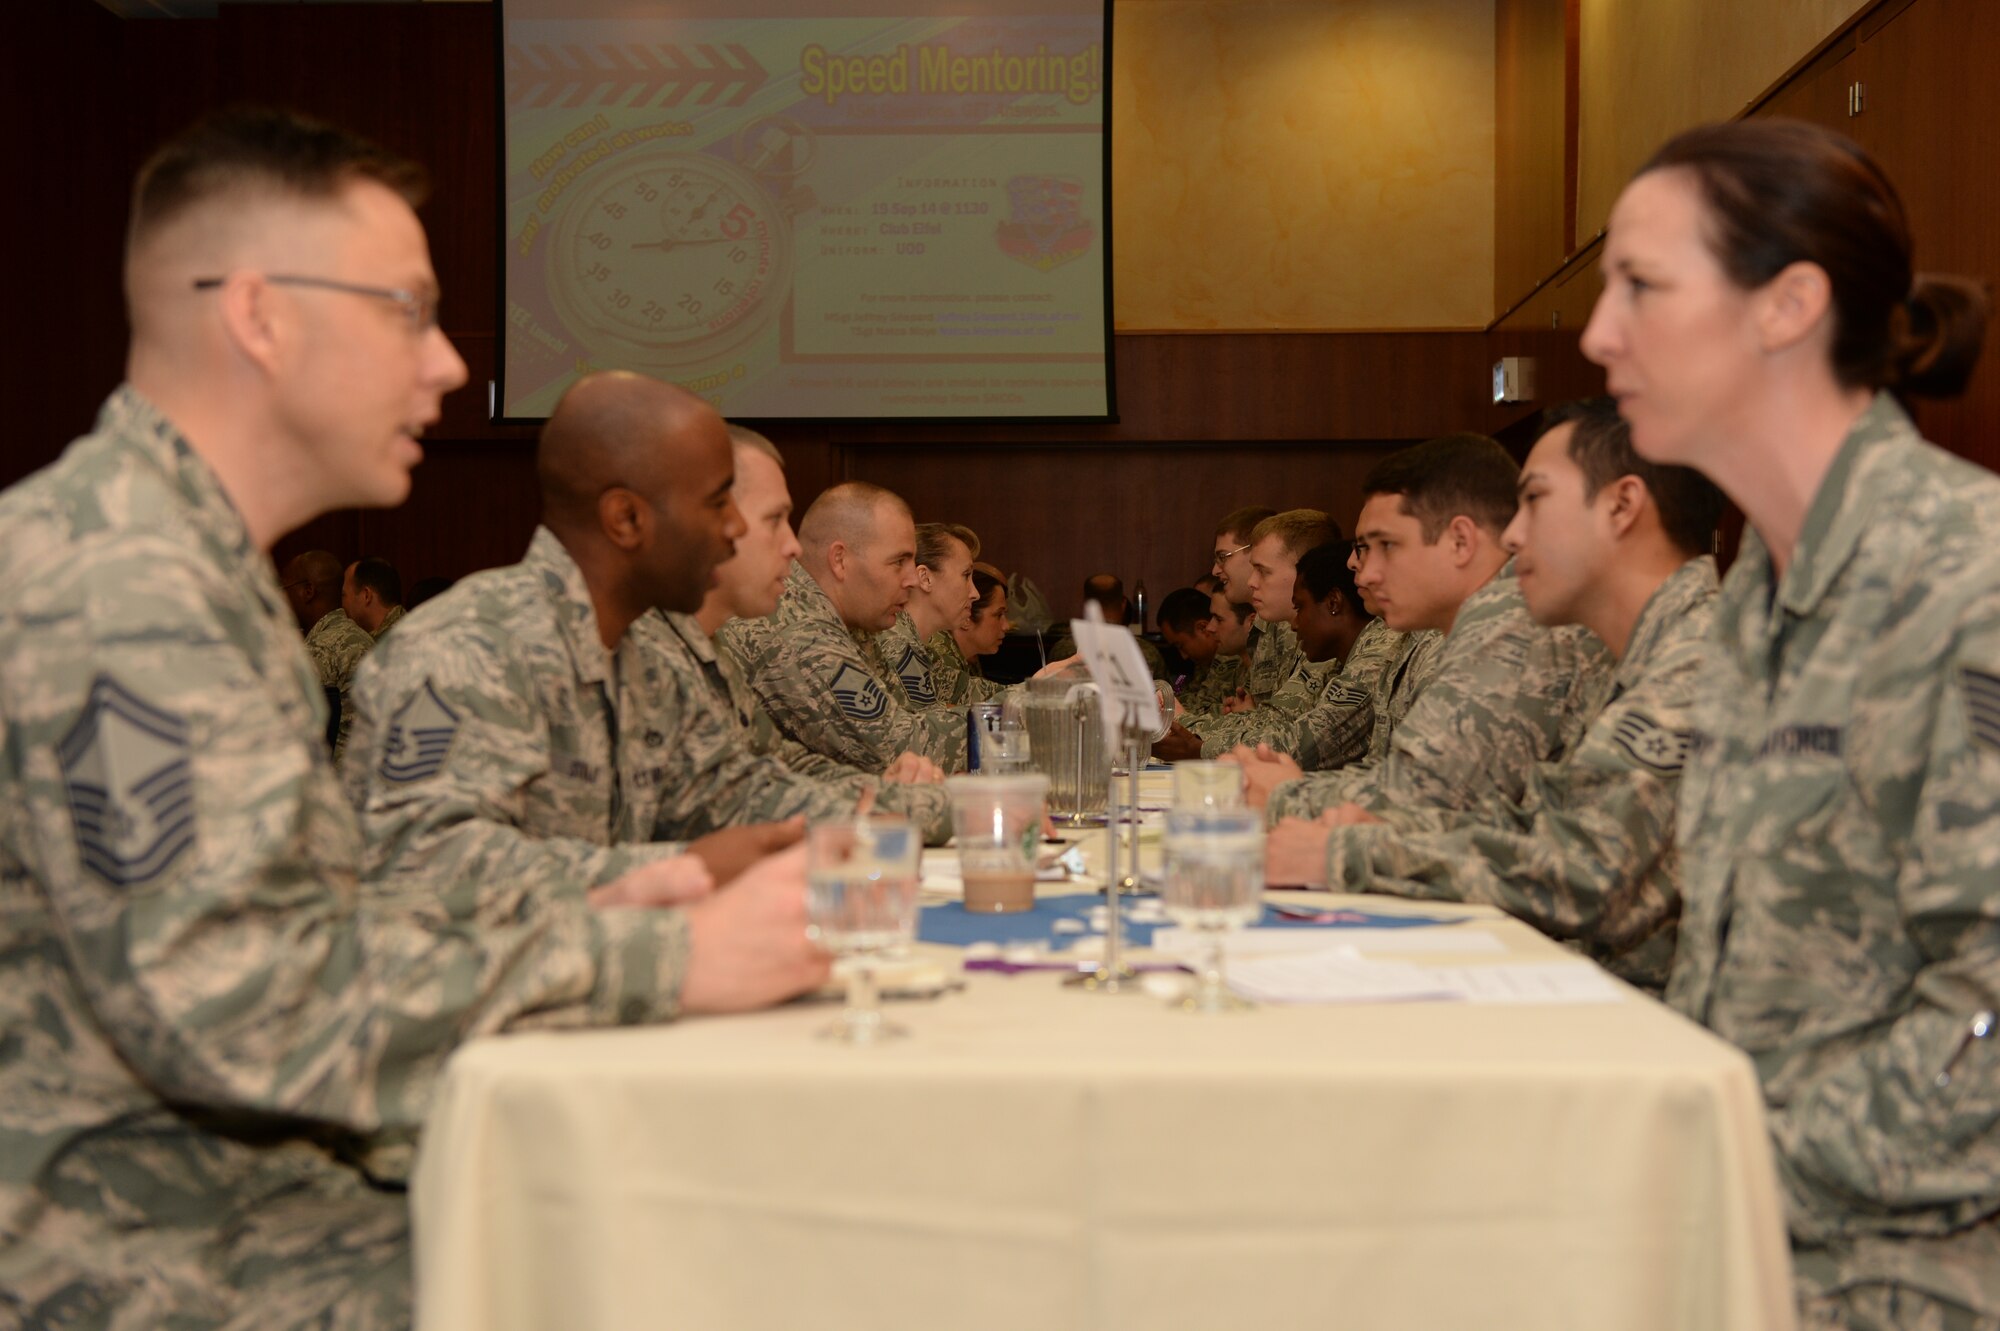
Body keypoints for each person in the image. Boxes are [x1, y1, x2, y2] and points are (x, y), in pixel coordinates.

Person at [0, 108, 826, 1327]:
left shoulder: (172, 556)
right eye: (406, 310)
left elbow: (291, 927)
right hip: (144, 1251)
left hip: (248, 1186)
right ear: (259, 316)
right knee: (714, 1265)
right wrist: (666, 956)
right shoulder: (123, 585)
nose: (445, 363)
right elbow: (239, 999)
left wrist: (603, 901)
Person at [1586, 118, 1998, 1328]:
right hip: (1741, 1243)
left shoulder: (1960, 575)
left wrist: (1723, 1165)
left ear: (1787, 305)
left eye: (1640, 285)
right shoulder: (1762, 591)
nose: (1597, 332)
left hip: (1899, 1274)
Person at [1267, 400, 1723, 991]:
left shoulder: (1696, 657)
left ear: (1622, 505)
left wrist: (1346, 853)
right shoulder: (1641, 650)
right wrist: (1383, 834)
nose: (1511, 533)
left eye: (1535, 500)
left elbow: (1590, 873)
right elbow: (1536, 821)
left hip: (1652, 1020)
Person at [344, 371, 810, 908]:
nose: (735, 527)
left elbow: (730, 796)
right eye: (715, 503)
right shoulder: (469, 648)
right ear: (626, 519)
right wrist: (676, 872)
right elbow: (426, 875)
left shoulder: (644, 662)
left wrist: (870, 829)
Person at [1241, 432, 1611, 823]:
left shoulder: (1513, 627)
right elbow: (1398, 774)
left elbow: (1428, 798)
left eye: (1386, 545)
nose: (1363, 570)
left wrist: (1283, 795)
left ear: (1460, 542)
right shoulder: (1455, 629)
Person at [632, 424, 951, 841]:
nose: (794, 546)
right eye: (774, 520)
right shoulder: (645, 650)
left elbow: (781, 767)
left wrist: (889, 794)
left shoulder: (706, 648)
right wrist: (937, 807)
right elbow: (743, 804)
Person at [722, 481, 970, 772]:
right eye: (898, 561)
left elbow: (907, 714)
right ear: (840, 560)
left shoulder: (854, 620)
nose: (913, 579)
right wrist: (1009, 712)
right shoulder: (802, 633)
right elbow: (899, 749)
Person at [1197, 540, 1391, 764]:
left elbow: (1305, 743)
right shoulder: (1335, 661)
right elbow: (1276, 721)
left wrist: (1197, 746)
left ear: (1333, 603)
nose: (1295, 624)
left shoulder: (1375, 658)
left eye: (1299, 608)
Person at [283, 546, 376, 762]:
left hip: (336, 775)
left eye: (284, 588)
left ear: (308, 591)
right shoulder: (362, 637)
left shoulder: (319, 650)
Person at [878, 521, 980, 707]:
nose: (975, 593)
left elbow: (968, 691)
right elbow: (926, 722)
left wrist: (1031, 689)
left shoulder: (918, 645)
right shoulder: (898, 643)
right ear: (925, 579)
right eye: (966, 575)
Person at [1049, 574, 1171, 680]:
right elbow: (1165, 694)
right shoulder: (1147, 652)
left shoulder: (1061, 651)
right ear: (1123, 604)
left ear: (1086, 606)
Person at [930, 563, 1011, 706]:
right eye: (998, 615)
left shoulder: (969, 656)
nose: (1006, 626)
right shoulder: (941, 656)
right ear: (966, 617)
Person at [1155, 586, 1221, 695]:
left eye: (1180, 645)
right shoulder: (1204, 664)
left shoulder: (1232, 660)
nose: (1184, 656)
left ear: (1203, 628)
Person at [343, 554, 405, 638]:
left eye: (344, 595)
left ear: (366, 596)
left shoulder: (395, 640)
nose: (341, 605)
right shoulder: (408, 627)